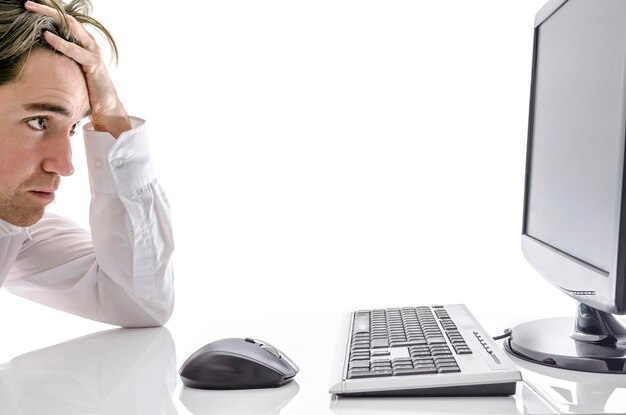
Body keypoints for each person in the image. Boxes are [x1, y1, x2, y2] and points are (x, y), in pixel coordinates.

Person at [0, 0, 174, 327]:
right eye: (38, 121)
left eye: (74, 128)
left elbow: (141, 303)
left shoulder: (9, 230)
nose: (65, 166)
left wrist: (111, 117)